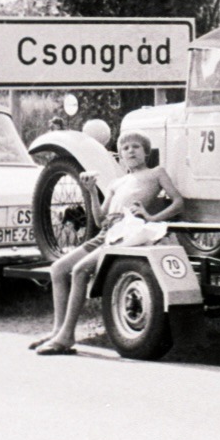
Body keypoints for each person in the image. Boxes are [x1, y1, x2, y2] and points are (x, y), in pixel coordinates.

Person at [32, 131, 182, 356]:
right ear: (120, 155)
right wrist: (92, 191)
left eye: (136, 147)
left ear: (146, 153)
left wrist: (151, 218)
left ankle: (67, 336)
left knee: (80, 270)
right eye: (125, 148)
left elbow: (178, 203)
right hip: (107, 233)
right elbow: (100, 220)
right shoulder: (117, 183)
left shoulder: (156, 173)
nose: (130, 151)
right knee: (58, 269)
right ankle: (57, 330)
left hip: (127, 232)